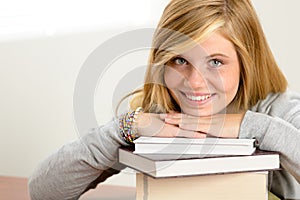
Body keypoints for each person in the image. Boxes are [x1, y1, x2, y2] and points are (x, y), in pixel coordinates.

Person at [28, 0, 300, 199]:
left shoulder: (280, 112)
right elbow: (43, 192)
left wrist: (252, 126)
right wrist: (126, 127)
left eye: (215, 62)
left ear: (247, 63)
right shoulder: (161, 117)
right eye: (180, 60)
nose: (194, 82)